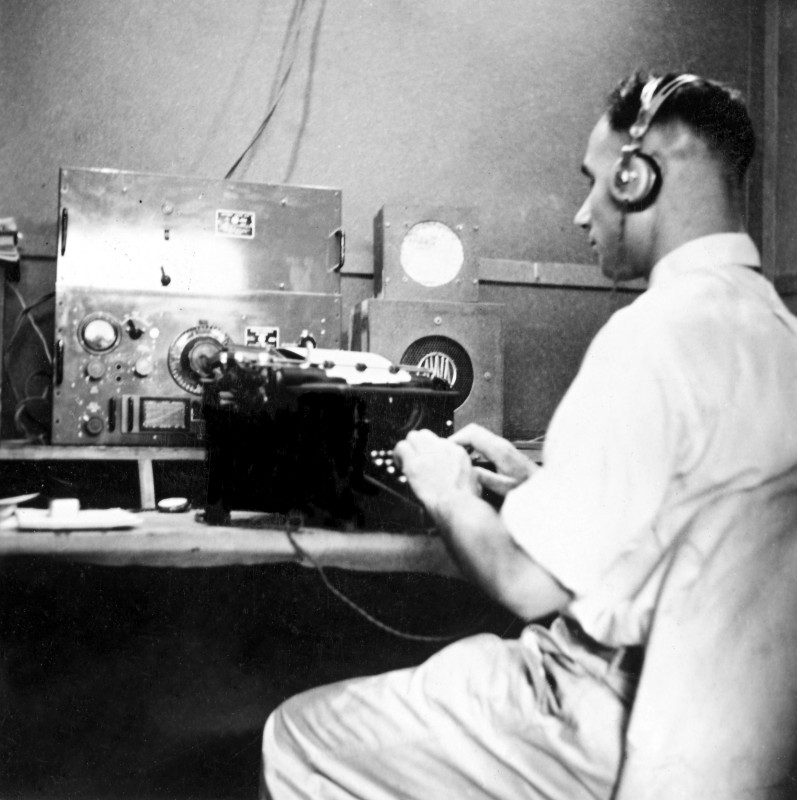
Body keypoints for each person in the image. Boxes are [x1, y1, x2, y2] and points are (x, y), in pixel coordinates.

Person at [260, 70, 797, 799]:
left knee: (298, 733)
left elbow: (521, 583)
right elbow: (700, 530)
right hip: (721, 737)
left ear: (638, 177)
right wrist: (545, 491)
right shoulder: (776, 334)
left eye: (594, 181)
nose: (581, 214)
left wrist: (447, 493)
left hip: (591, 710)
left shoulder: (651, 335)